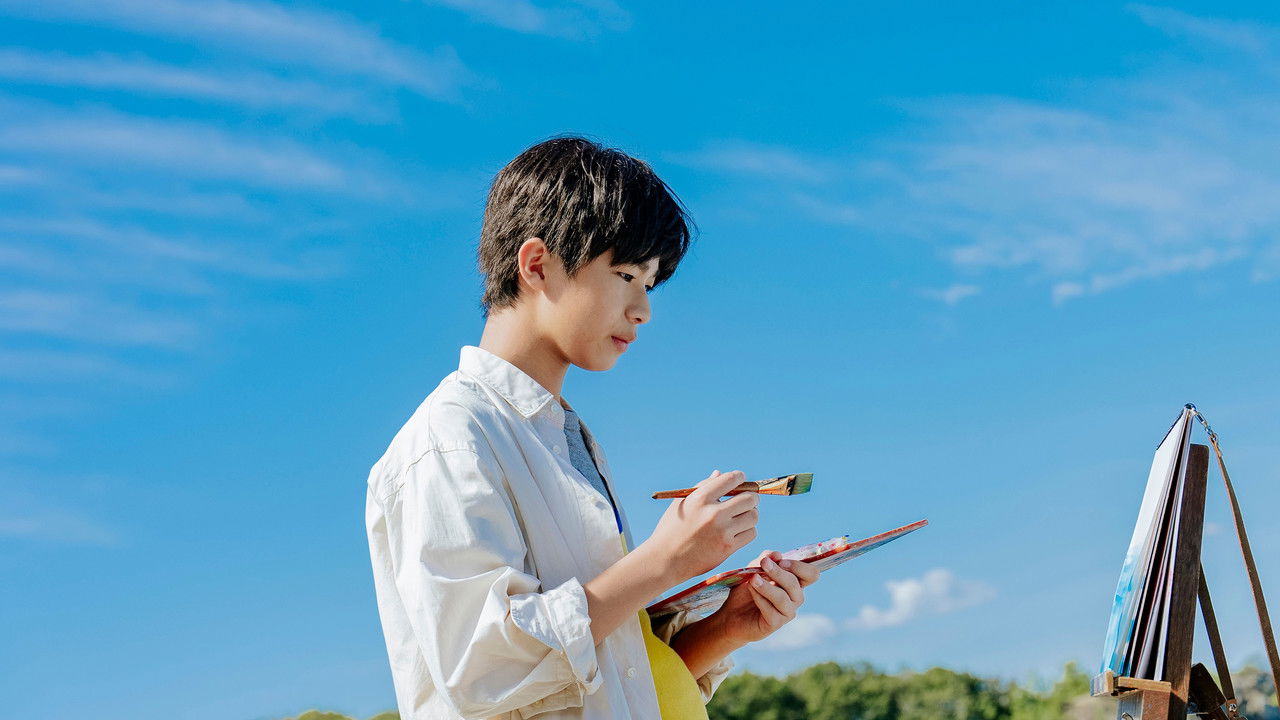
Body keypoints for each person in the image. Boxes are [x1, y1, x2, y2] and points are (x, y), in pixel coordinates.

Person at [365, 136, 820, 720]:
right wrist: (664, 560)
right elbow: (483, 671)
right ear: (536, 264)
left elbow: (599, 675)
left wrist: (724, 630)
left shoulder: (566, 440)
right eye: (626, 274)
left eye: (650, 284)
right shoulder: (451, 438)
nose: (643, 309)